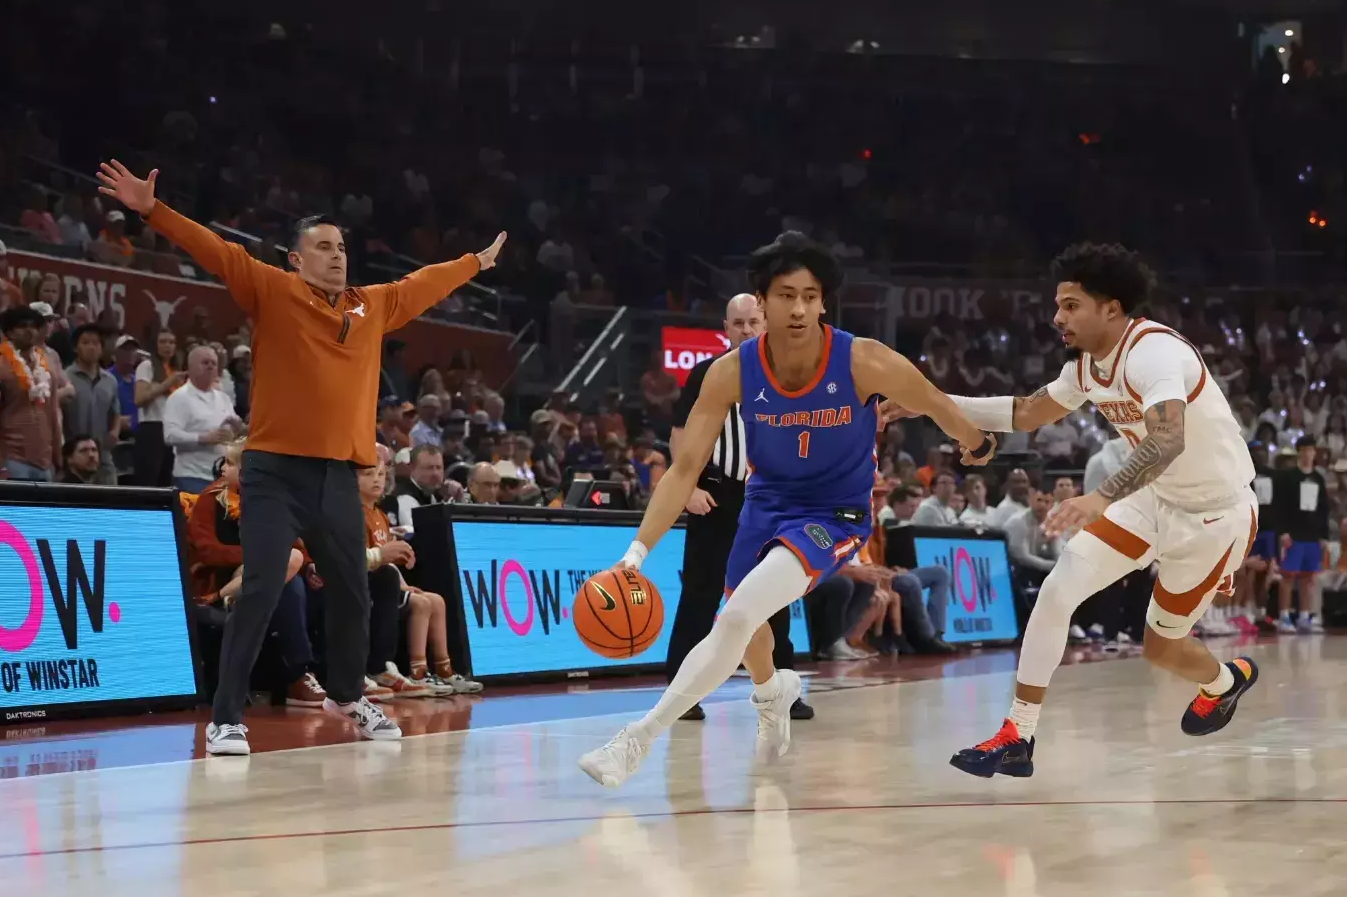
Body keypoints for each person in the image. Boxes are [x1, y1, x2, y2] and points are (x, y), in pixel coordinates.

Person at [97, 159, 506, 755]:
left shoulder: (374, 305)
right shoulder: (273, 289)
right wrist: (152, 211)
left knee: (357, 589)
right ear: (296, 258)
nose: (337, 256)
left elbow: (425, 282)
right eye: (323, 247)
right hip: (273, 472)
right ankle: (226, 717)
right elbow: (216, 251)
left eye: (341, 247)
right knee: (262, 586)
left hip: (337, 477)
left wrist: (475, 263)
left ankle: (348, 694)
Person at [577, 231, 993, 788]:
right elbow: (682, 469)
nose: (798, 308)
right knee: (750, 634)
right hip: (763, 505)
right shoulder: (730, 372)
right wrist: (634, 556)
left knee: (736, 616)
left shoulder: (863, 359)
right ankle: (773, 692)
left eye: (809, 296)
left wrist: (977, 441)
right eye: (786, 296)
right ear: (763, 301)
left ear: (823, 303)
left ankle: (636, 739)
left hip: (833, 515)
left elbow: (935, 402)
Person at [937, 243, 1260, 779]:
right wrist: (929, 402)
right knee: (1057, 591)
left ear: (1111, 308)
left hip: (1213, 516)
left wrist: (1101, 497)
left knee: (1162, 649)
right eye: (1058, 305)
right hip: (1152, 499)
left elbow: (1168, 439)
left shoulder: (1153, 353)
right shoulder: (1087, 367)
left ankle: (1226, 681)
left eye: (1070, 306)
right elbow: (1026, 412)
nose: (1057, 318)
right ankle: (1018, 734)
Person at [664, 293, 813, 723]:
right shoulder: (706, 373)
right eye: (738, 323)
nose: (746, 330)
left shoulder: (790, 374)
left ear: (765, 323)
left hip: (771, 498)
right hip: (716, 495)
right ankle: (681, 694)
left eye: (753, 322)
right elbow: (679, 435)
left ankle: (782, 691)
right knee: (700, 594)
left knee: (776, 597)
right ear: (725, 329)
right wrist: (689, 487)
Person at [358, 460, 482, 695]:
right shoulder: (357, 514)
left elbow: (386, 562)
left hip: (386, 580)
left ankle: (444, 669)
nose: (376, 479)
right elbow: (371, 561)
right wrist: (401, 585)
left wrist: (404, 583)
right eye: (368, 474)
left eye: (381, 474)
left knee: (437, 600)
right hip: (369, 585)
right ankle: (418, 671)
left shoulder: (380, 515)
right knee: (422, 603)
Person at [163, 345, 243, 494]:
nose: (210, 366)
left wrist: (237, 427)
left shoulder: (223, 398)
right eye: (205, 363)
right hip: (192, 476)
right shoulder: (179, 398)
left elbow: (235, 433)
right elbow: (170, 435)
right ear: (191, 368)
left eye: (214, 363)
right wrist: (203, 438)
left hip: (221, 476)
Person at [1272, 435, 1329, 633]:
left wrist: (1323, 535)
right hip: (1294, 534)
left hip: (1312, 535)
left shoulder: (1318, 479)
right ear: (1299, 453)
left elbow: (1323, 509)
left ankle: (1304, 616)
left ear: (1314, 453)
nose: (1307, 454)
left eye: (1310, 450)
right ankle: (1284, 616)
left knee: (1308, 577)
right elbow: (1281, 507)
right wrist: (1283, 531)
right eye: (1304, 450)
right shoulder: (1289, 478)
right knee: (1288, 576)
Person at [0, 305, 60, 481]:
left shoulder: (47, 366)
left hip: (45, 461)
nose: (30, 331)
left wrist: (58, 457)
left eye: (34, 326)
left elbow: (54, 414)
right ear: (9, 333)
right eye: (23, 326)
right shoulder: (1, 366)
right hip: (12, 458)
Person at [62, 324, 121, 485]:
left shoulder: (110, 381)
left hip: (103, 455)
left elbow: (115, 411)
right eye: (85, 342)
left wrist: (115, 431)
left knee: (111, 498)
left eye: (96, 343)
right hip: (74, 456)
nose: (91, 347)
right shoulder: (65, 377)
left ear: (102, 348)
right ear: (76, 348)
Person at [134, 329, 188, 487]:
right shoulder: (147, 365)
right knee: (148, 480)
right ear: (155, 345)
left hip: (172, 428)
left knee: (167, 481)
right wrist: (166, 384)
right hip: (152, 427)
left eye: (171, 342)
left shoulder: (176, 369)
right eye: (163, 342)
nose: (167, 346)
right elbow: (139, 399)